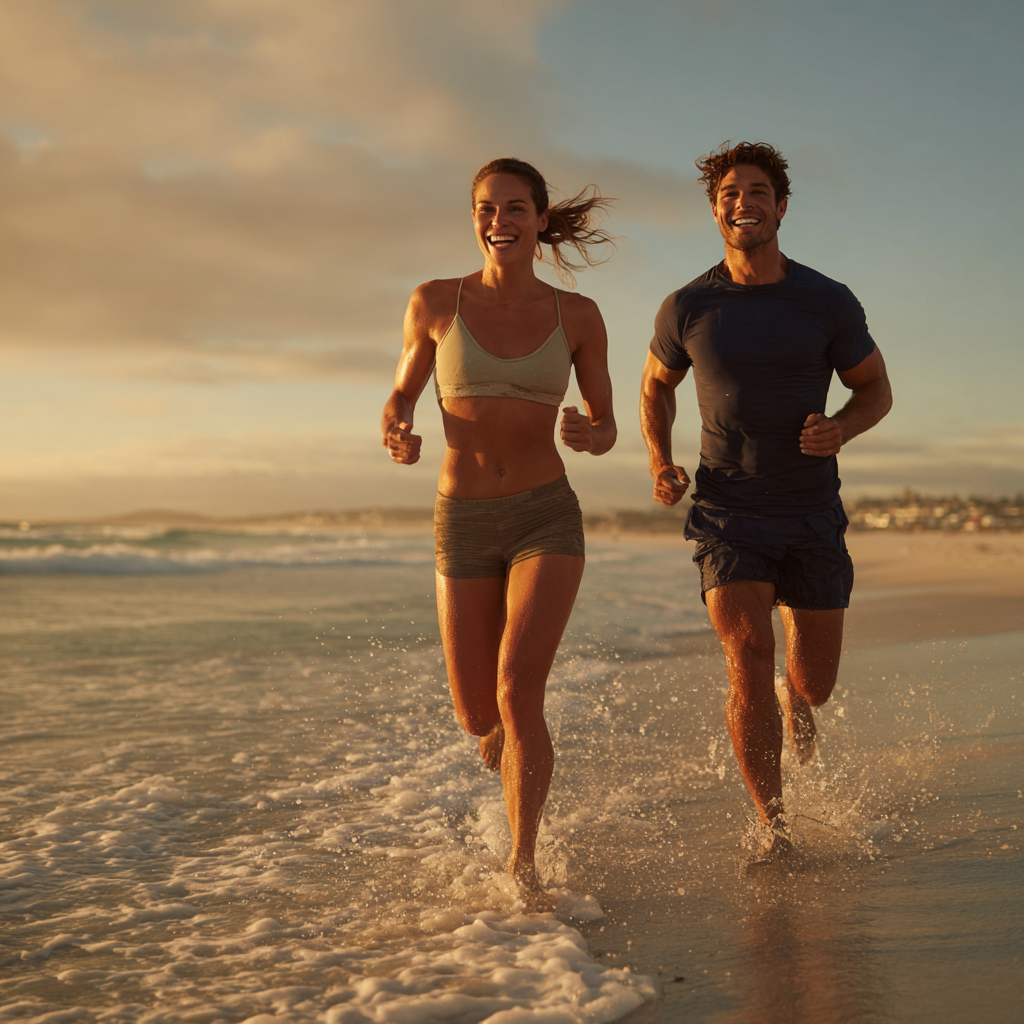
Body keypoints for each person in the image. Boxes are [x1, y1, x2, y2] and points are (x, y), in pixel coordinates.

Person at [639, 141, 892, 861]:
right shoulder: (688, 304)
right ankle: (773, 828)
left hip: (810, 511)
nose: (741, 202)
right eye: (728, 192)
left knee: (813, 682)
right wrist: (661, 460)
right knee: (747, 653)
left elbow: (876, 387)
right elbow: (656, 385)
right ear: (714, 208)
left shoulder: (826, 299)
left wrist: (839, 426)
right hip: (727, 510)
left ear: (781, 206)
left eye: (757, 191)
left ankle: (797, 699)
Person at [382, 158, 617, 900]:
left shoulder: (576, 316)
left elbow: (607, 424)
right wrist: (398, 430)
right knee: (478, 712)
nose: (499, 222)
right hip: (463, 519)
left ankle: (523, 862)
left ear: (540, 220)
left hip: (546, 514)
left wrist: (592, 432)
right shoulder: (433, 302)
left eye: (516, 208)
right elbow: (398, 396)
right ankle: (498, 733)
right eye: (487, 208)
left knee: (518, 692)